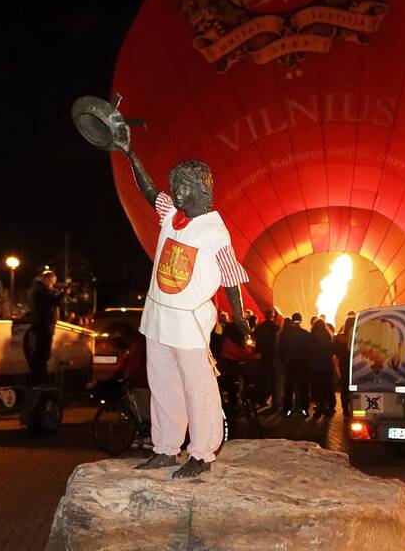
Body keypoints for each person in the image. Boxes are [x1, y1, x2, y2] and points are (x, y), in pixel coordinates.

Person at [120, 152, 253, 479]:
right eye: (175, 185)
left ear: (201, 190)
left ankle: (202, 452)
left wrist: (240, 319)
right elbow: (149, 191)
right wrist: (130, 153)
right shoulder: (172, 216)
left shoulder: (214, 232)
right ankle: (165, 447)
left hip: (188, 325)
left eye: (183, 186)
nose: (176, 192)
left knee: (199, 388)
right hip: (158, 318)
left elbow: (231, 278)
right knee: (162, 384)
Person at [28, 269, 63, 385]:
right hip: (44, 324)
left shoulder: (41, 290)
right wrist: (62, 294)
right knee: (42, 353)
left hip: (44, 324)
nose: (53, 285)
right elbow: (53, 301)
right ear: (47, 279)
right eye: (52, 282)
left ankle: (40, 378)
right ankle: (40, 379)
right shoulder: (41, 291)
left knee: (43, 353)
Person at [278, 313, 311, 417]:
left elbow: (280, 350)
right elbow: (309, 350)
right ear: (300, 320)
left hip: (289, 363)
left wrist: (283, 361)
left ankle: (287, 410)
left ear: (292, 320)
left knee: (288, 388)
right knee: (303, 388)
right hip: (302, 364)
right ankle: (304, 410)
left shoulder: (286, 334)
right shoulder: (305, 334)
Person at [308, 320, 337, 417]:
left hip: (315, 367)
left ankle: (319, 408)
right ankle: (329, 407)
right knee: (328, 387)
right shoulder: (328, 338)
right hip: (327, 366)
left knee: (317, 388)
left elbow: (309, 353)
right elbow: (333, 352)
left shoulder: (311, 338)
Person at [253, 308, 281, 408]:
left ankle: (262, 399)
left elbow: (254, 340)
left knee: (262, 378)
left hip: (262, 356)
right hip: (273, 356)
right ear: (273, 316)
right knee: (273, 379)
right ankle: (274, 402)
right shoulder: (276, 328)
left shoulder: (259, 327)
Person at [333, 312, 355, 415]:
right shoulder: (357, 337)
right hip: (355, 365)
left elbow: (335, 353)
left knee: (344, 387)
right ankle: (354, 406)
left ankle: (345, 409)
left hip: (344, 364)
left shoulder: (339, 337)